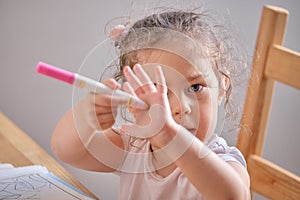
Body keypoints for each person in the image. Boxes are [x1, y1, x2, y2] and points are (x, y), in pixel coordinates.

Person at [51, 5, 250, 200]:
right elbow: (67, 151)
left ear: (222, 87)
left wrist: (168, 135)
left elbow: (232, 196)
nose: (181, 107)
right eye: (158, 91)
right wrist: (86, 116)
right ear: (132, 97)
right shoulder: (135, 147)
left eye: (196, 87)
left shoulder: (223, 162)